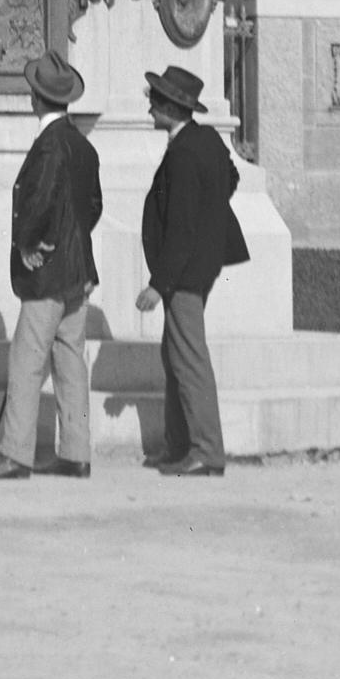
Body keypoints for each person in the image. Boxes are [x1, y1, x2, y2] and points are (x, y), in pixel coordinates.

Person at [0, 51, 105, 482]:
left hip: (49, 271)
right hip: (79, 269)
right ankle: (76, 452)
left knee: (28, 359)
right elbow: (93, 207)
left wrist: (33, 243)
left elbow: (39, 201)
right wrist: (70, 239)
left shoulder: (48, 146)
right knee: (70, 359)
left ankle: (15, 453)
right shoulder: (83, 145)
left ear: (36, 98)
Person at [135, 64, 248, 477]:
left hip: (184, 270)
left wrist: (157, 285)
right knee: (176, 353)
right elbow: (230, 177)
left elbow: (181, 229)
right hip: (201, 262)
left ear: (171, 108)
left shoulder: (184, 153)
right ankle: (180, 445)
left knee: (189, 358)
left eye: (155, 101)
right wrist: (210, 212)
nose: (149, 107)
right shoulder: (207, 141)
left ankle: (206, 450)